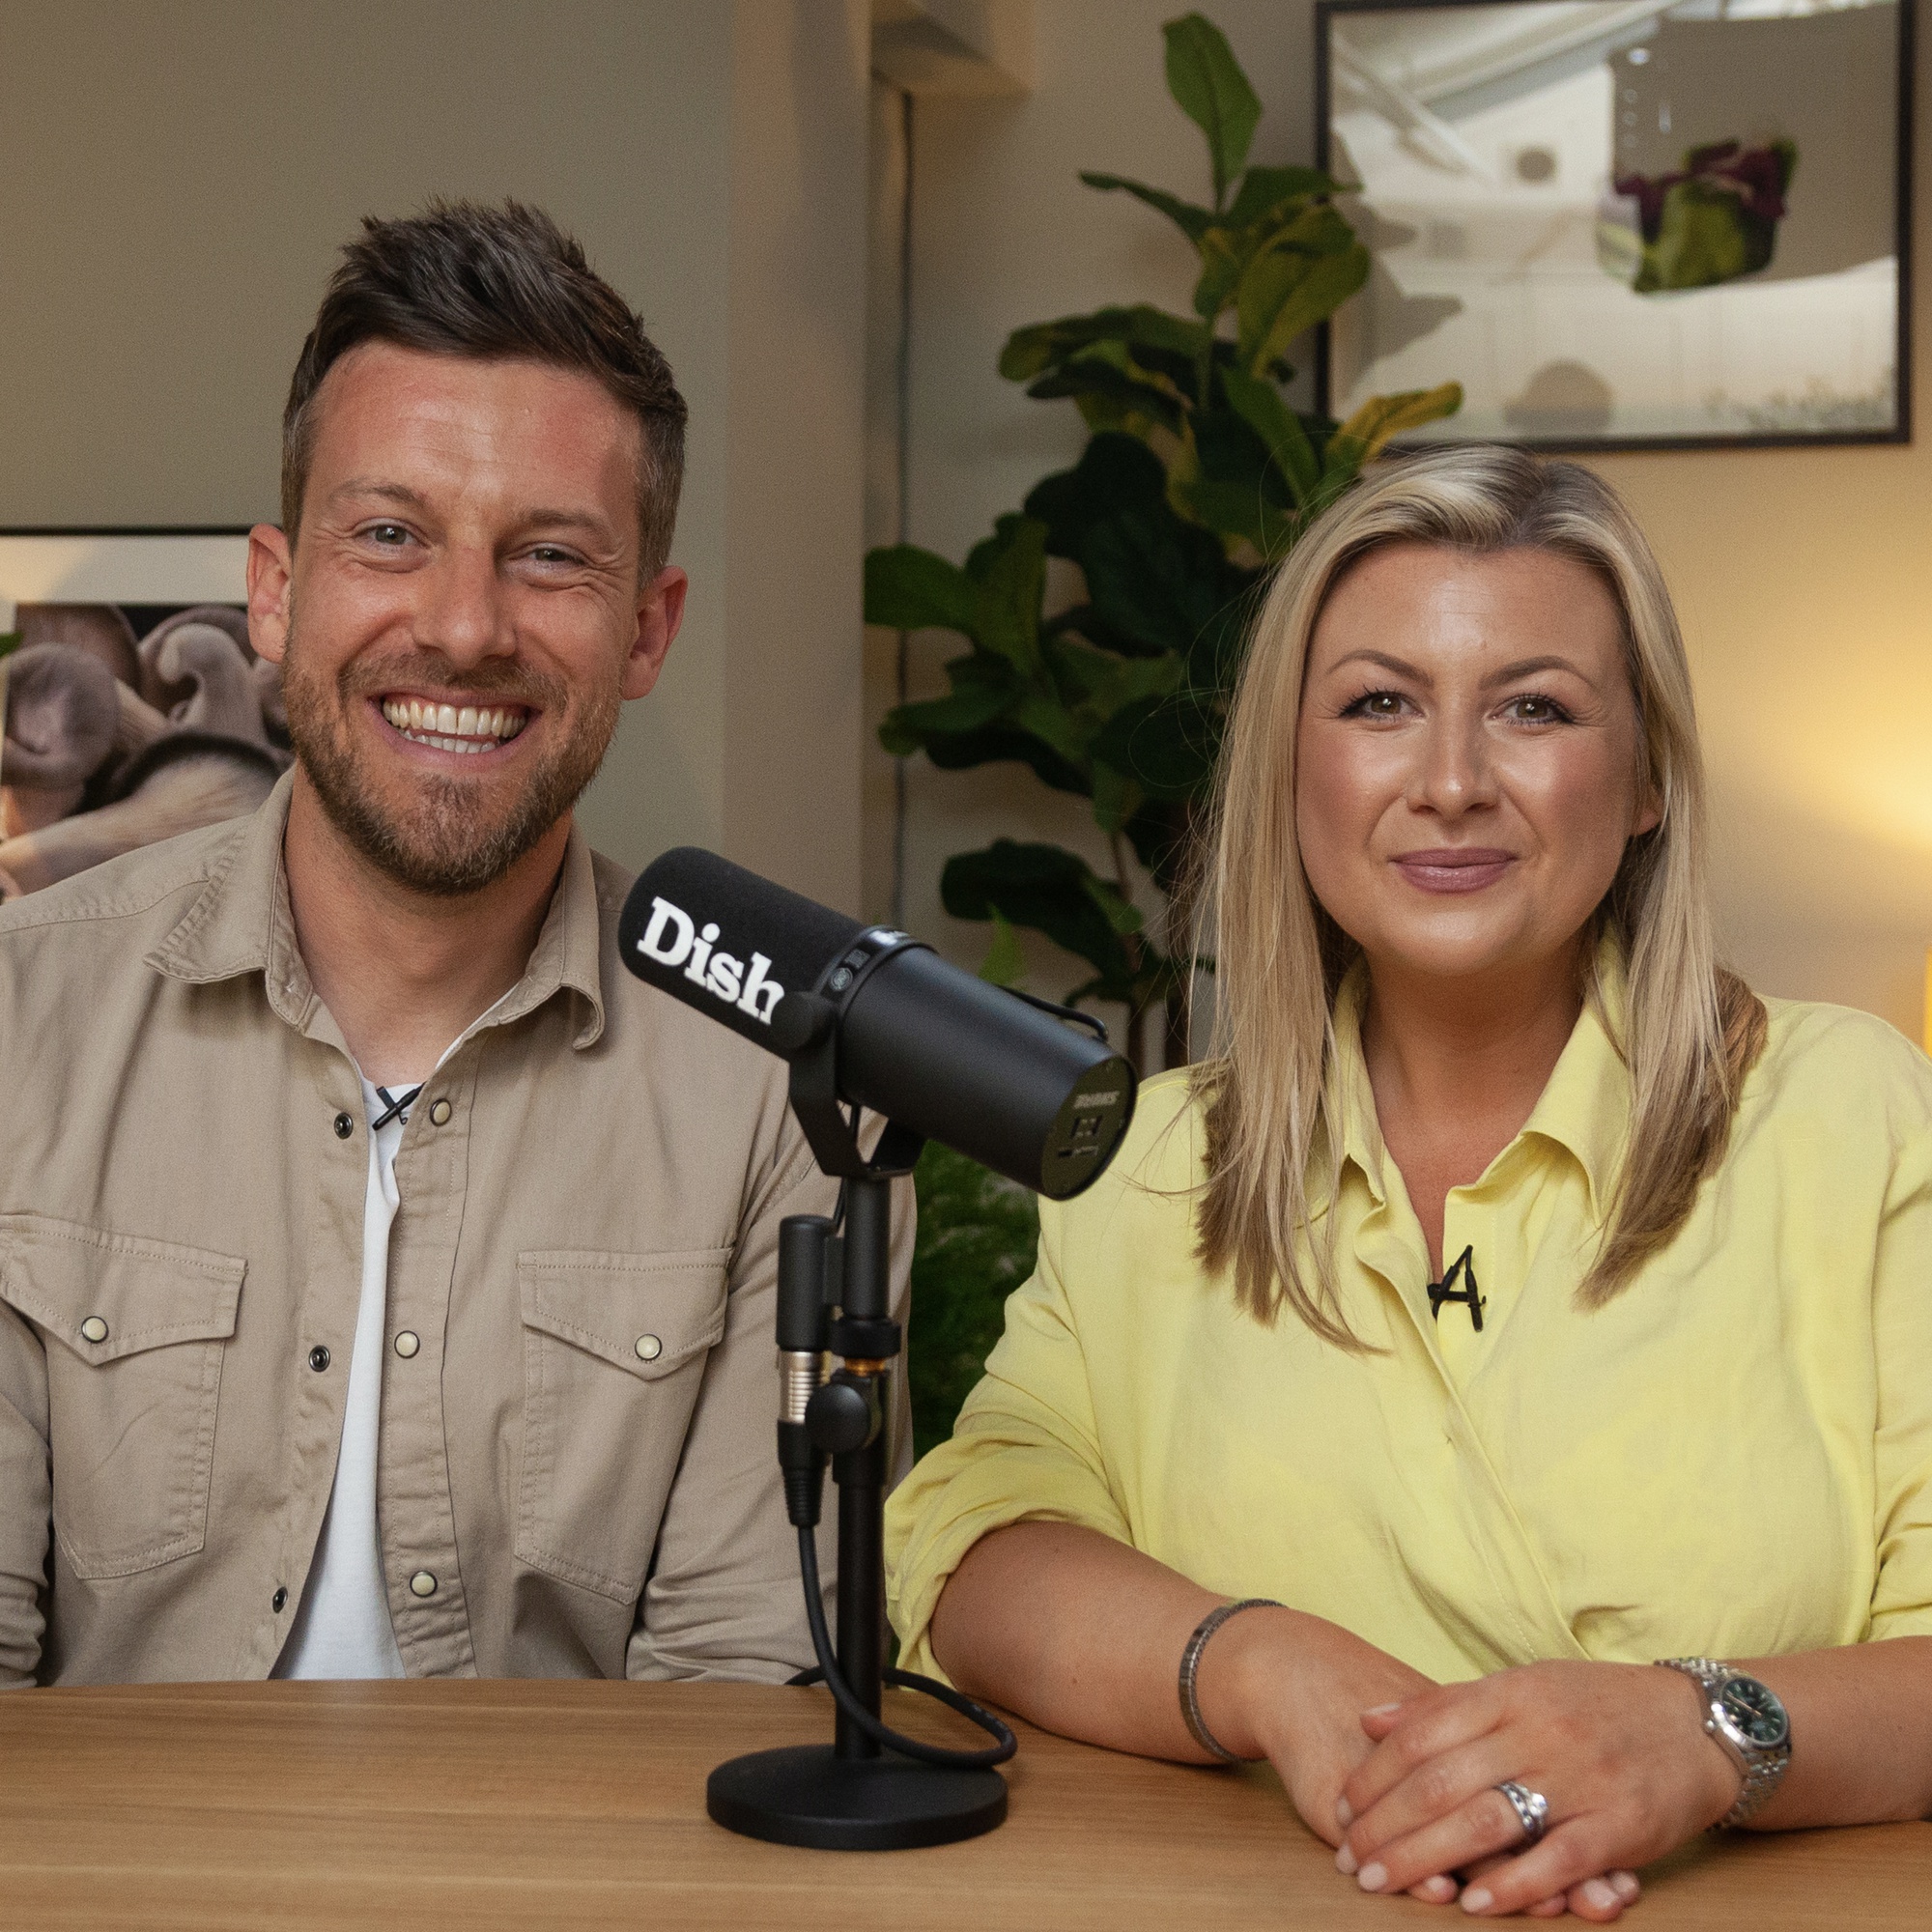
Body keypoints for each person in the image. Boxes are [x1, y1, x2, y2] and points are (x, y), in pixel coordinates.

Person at [885, 446, 1932, 1918]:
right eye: (1380, 704)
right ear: (1293, 772)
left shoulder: (1850, 1114)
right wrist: (1253, 1665)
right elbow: (971, 1548)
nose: (1450, 782)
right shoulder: (1149, 1163)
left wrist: (1709, 1730)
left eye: (1536, 709)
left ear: (1643, 785)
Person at [0, 200, 907, 1687]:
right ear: (277, 593)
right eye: (389, 535)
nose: (467, 626)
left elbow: (743, 1689)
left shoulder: (775, 1086)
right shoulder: (21, 1020)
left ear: (647, 630)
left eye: (550, 556)